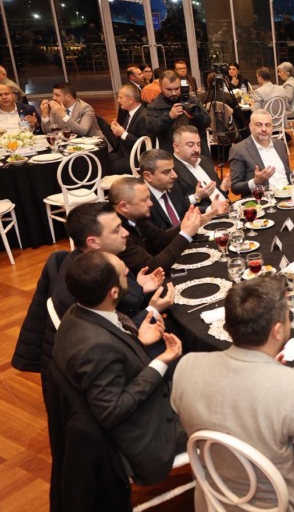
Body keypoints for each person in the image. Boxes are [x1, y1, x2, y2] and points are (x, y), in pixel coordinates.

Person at [171, 276, 294, 511]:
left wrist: (271, 372)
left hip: (218, 495)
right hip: (284, 503)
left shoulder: (187, 367)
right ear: (277, 331)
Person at [13, 202, 174, 400]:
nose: (125, 233)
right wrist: (152, 309)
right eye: (116, 230)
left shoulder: (91, 264)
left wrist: (138, 287)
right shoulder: (82, 288)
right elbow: (111, 335)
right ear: (93, 242)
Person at [52, 250, 186, 486]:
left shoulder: (77, 313)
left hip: (142, 411)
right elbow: (111, 411)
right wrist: (162, 360)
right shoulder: (95, 347)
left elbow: (114, 360)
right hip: (149, 437)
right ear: (114, 292)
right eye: (123, 273)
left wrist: (138, 341)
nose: (128, 272)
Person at [109, 176, 212, 276]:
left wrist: (185, 225)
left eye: (149, 198)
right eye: (144, 200)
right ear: (124, 206)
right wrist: (185, 234)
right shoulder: (117, 233)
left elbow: (160, 240)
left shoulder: (137, 217)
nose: (150, 203)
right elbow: (152, 268)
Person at [229, 109, 294, 194]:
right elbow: (235, 188)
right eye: (259, 125)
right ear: (250, 126)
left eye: (267, 125)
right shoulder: (239, 150)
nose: (264, 129)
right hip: (264, 199)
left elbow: (284, 174)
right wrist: (256, 181)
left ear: (272, 127)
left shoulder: (280, 144)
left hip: (289, 195)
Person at [146, 70, 211, 152]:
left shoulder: (192, 100)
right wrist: (169, 117)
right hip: (170, 151)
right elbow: (151, 129)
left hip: (197, 149)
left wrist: (195, 117)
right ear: (161, 87)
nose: (173, 93)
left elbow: (207, 122)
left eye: (177, 88)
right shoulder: (155, 106)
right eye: (169, 89)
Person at [172, 125, 231, 212]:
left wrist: (223, 188)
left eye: (198, 144)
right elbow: (176, 206)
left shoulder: (204, 160)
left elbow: (217, 191)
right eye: (190, 145)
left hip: (228, 208)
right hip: (206, 216)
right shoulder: (171, 170)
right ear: (176, 147)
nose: (196, 149)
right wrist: (197, 197)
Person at [39, 82, 106, 143]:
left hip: (94, 145)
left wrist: (64, 115)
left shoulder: (85, 108)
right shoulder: (56, 109)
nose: (53, 98)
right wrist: (45, 114)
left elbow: (83, 132)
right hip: (68, 146)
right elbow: (48, 132)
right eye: (53, 95)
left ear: (68, 97)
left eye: (57, 95)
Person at [107, 83, 149, 174]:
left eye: (120, 97)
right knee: (103, 160)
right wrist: (118, 129)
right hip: (125, 152)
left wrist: (123, 134)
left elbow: (143, 144)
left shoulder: (143, 117)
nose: (118, 100)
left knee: (111, 168)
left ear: (131, 100)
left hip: (136, 157)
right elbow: (129, 132)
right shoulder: (129, 113)